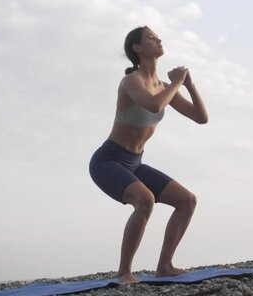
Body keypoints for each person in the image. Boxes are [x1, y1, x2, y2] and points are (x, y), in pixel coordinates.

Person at [89, 26, 209, 284]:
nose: (158, 39)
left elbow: (201, 118)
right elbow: (154, 104)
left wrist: (189, 84)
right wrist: (177, 82)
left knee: (187, 201)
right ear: (138, 48)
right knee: (145, 200)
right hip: (107, 161)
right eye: (152, 38)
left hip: (134, 163)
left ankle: (165, 266)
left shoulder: (163, 86)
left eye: (158, 37)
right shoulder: (132, 81)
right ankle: (124, 273)